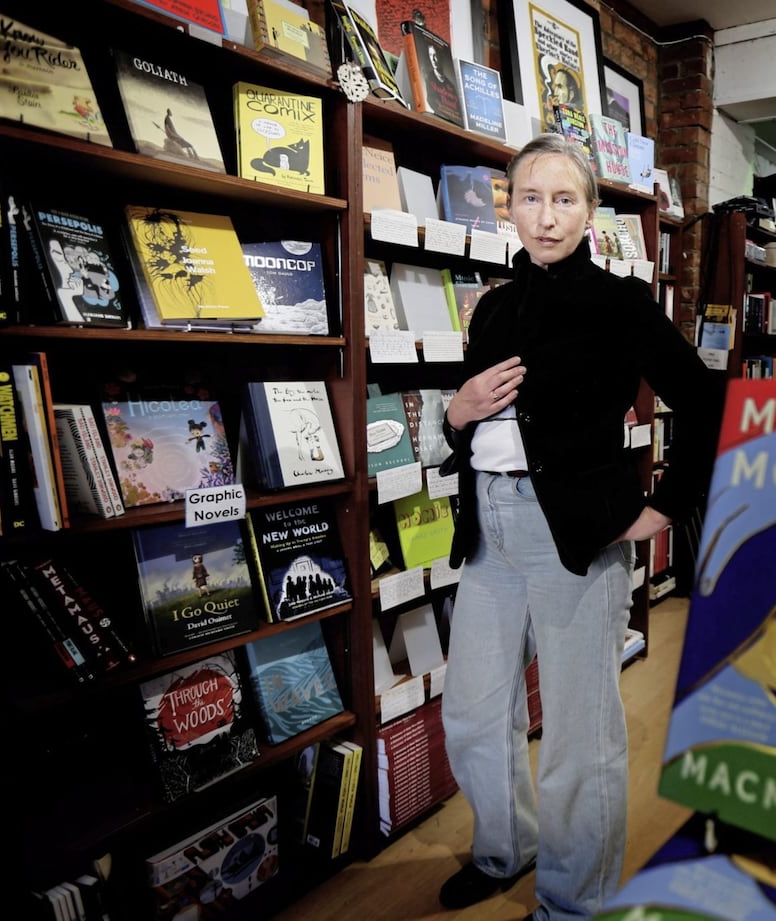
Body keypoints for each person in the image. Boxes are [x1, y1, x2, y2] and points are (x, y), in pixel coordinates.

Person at [437, 133, 723, 921]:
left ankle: (573, 903)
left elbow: (704, 402)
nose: (546, 216)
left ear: (590, 211)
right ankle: (508, 848)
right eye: (531, 197)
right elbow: (475, 421)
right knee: (471, 709)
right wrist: (455, 414)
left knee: (577, 737)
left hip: (572, 536)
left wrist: (666, 506)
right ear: (511, 205)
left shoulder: (620, 303)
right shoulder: (492, 306)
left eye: (565, 199)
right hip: (488, 528)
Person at [424, 42, 462, 122]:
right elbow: (430, 100)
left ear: (440, 57)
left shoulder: (450, 85)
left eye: (435, 55)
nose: (433, 59)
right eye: (431, 55)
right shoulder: (428, 77)